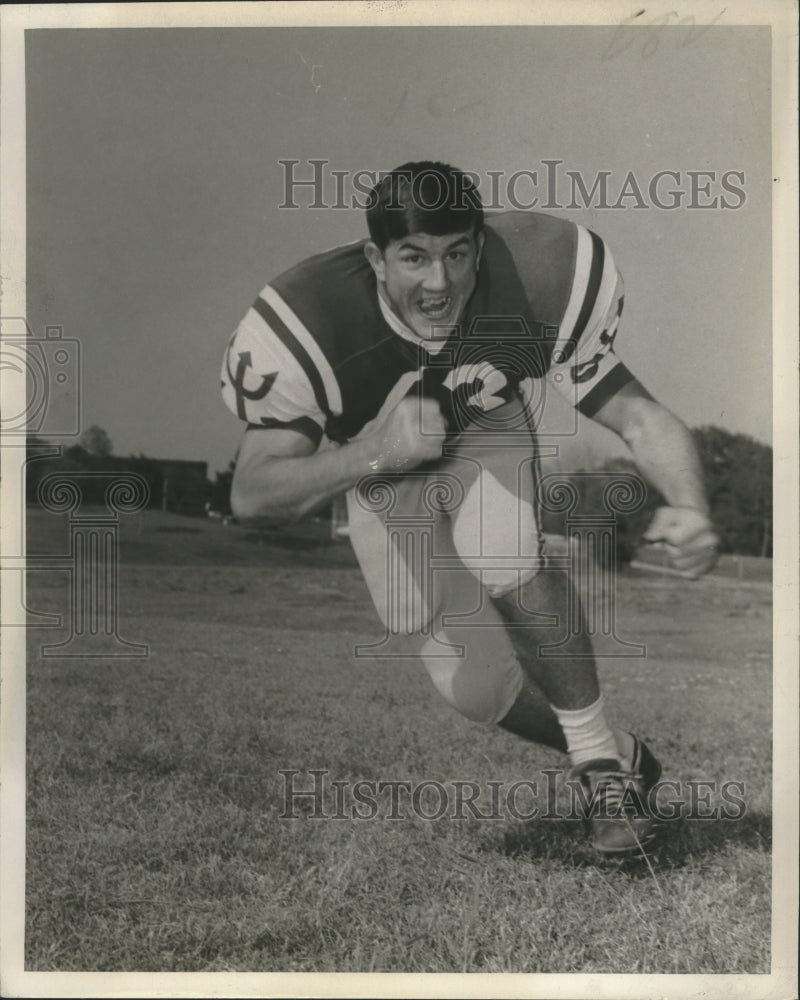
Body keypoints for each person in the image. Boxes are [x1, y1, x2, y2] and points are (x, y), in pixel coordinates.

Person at [221, 161, 719, 854]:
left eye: (457, 254)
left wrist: (690, 505)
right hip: (375, 458)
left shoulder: (541, 274)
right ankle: (629, 756)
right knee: (474, 690)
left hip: (483, 424)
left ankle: (600, 770)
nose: (439, 282)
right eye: (414, 257)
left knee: (502, 553)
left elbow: (640, 418)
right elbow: (252, 494)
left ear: (480, 246)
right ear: (375, 256)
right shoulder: (309, 318)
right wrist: (376, 454)